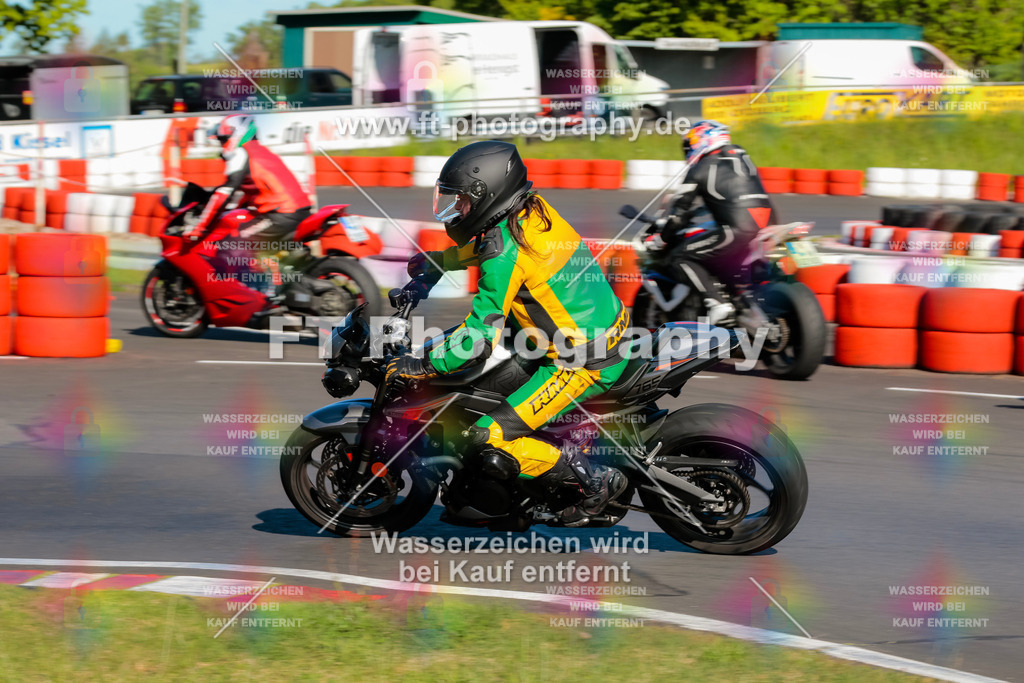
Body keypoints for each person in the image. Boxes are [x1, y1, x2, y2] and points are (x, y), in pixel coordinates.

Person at [386, 140, 630, 524]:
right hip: (593, 331)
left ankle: (590, 483)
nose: (455, 209)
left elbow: (477, 338)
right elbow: (494, 250)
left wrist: (421, 363)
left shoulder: (503, 251)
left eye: (461, 201)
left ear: (488, 195)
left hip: (580, 362)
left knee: (486, 438)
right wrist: (440, 263)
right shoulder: (531, 210)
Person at [656, 120, 778, 324]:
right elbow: (735, 193)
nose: (687, 150)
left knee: (681, 256)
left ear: (701, 140)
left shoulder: (701, 168)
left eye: (689, 144)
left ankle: (718, 304)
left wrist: (661, 239)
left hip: (738, 230)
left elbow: (678, 215)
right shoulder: (741, 155)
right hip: (769, 223)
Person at [190, 113, 312, 296]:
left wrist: (200, 225)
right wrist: (231, 210)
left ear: (235, 135)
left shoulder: (241, 152)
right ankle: (279, 283)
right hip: (298, 211)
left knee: (233, 242)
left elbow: (225, 192)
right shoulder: (261, 151)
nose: (222, 146)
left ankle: (262, 294)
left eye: (223, 139)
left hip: (282, 213)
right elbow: (252, 192)